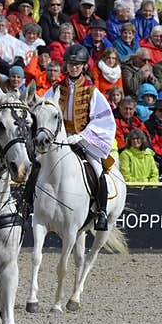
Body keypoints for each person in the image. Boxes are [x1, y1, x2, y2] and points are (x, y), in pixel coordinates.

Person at [43, 44, 116, 231]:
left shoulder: (92, 91)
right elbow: (44, 109)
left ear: (84, 66)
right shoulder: (55, 88)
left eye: (78, 64)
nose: (74, 67)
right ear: (66, 65)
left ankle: (101, 212)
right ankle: (28, 207)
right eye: (71, 63)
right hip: (58, 139)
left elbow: (103, 119)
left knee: (98, 170)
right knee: (37, 165)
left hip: (83, 139)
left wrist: (81, 136)